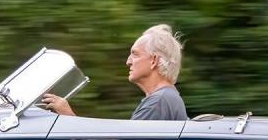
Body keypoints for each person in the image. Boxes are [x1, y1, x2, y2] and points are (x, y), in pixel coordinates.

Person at [41, 24, 188, 120]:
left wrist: (69, 117)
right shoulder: (166, 98)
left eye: (135, 54)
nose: (128, 61)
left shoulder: (159, 102)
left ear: (154, 61)